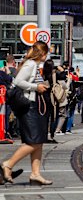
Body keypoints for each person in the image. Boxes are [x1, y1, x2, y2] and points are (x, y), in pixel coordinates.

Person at [1, 41, 51, 185]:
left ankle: (35, 174)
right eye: (46, 53)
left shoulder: (33, 65)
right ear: (41, 53)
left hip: (34, 106)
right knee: (33, 141)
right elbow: (18, 81)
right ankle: (8, 164)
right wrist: (36, 87)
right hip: (29, 107)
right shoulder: (31, 64)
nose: (46, 56)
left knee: (38, 141)